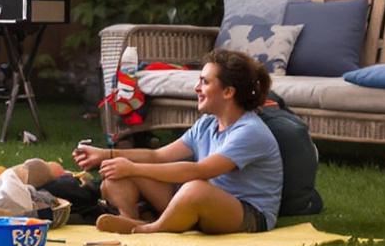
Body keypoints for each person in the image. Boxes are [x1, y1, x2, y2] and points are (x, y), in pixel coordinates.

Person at [93, 48, 283, 234]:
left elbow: (199, 171)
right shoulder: (207, 124)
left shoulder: (250, 131)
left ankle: (146, 228)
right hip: (201, 201)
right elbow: (157, 155)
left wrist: (133, 168)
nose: (197, 88)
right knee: (116, 171)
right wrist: (109, 156)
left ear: (228, 92)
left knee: (195, 187)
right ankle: (129, 218)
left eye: (205, 82)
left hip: (248, 214)